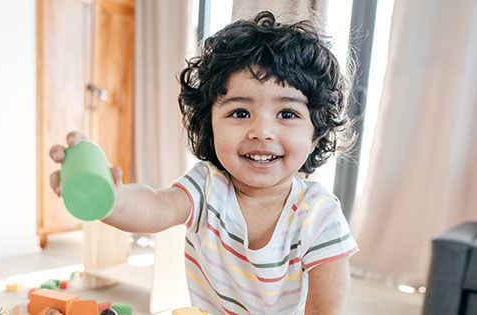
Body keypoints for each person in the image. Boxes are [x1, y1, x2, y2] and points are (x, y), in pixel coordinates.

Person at [48, 11, 358, 315]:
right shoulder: (208, 186)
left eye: (287, 114)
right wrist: (113, 200)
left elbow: (327, 308)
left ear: (316, 132)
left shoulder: (319, 214)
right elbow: (156, 207)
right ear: (209, 126)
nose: (261, 131)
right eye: (240, 113)